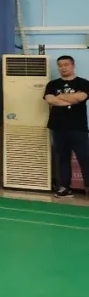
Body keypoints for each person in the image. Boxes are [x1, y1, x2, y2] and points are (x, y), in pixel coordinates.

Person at [44, 55, 89, 198]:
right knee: (62, 158)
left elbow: (81, 97)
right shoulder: (52, 84)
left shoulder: (83, 83)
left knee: (85, 157)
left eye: (66, 65)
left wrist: (60, 97)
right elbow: (50, 100)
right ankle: (65, 187)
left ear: (73, 65)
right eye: (60, 65)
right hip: (58, 127)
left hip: (78, 127)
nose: (63, 68)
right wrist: (71, 99)